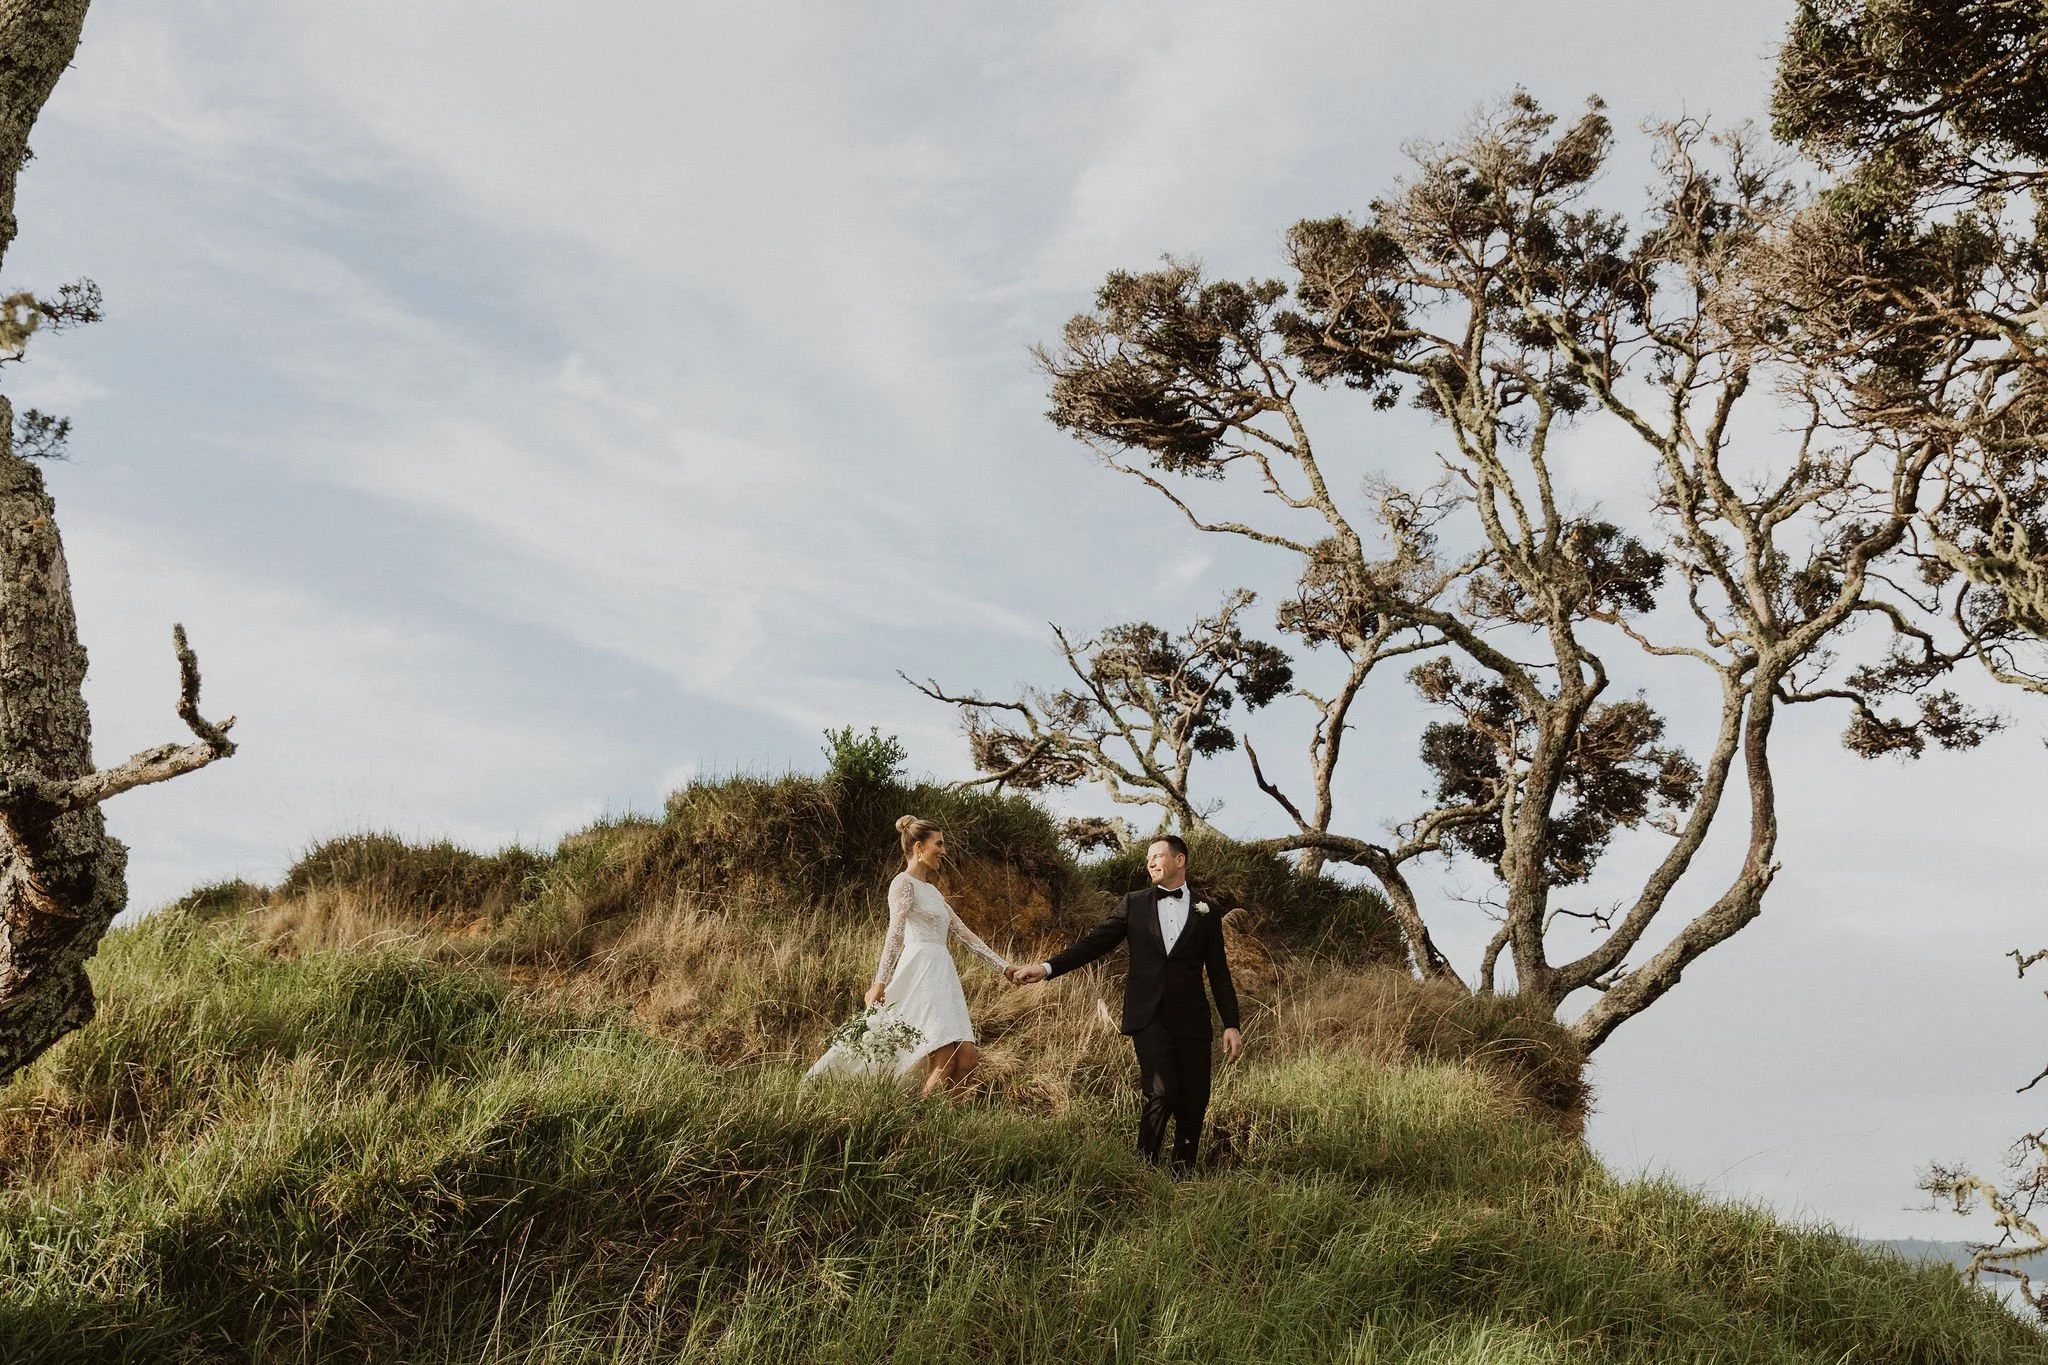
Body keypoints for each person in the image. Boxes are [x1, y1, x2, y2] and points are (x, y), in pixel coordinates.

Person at [1009, 835, 1241, 1169]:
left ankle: (1182, 1172)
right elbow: (1094, 944)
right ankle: (1144, 1166)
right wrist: (1046, 969)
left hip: (1192, 1018)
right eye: (1147, 858)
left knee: (1195, 1099)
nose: (1150, 862)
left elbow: (1219, 972)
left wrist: (1231, 1023)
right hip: (1148, 1014)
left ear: (1180, 860)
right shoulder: (1135, 903)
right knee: (1162, 1091)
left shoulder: (1206, 910)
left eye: (1158, 856)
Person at [806, 815, 1011, 1097]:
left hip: (944, 975)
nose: (944, 850)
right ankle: (923, 1124)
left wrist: (1005, 968)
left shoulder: (934, 892)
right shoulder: (902, 884)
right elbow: (895, 934)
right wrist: (880, 982)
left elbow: (965, 934)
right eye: (939, 844)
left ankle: (944, 1124)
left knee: (966, 1059)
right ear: (918, 847)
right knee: (944, 1058)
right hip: (921, 971)